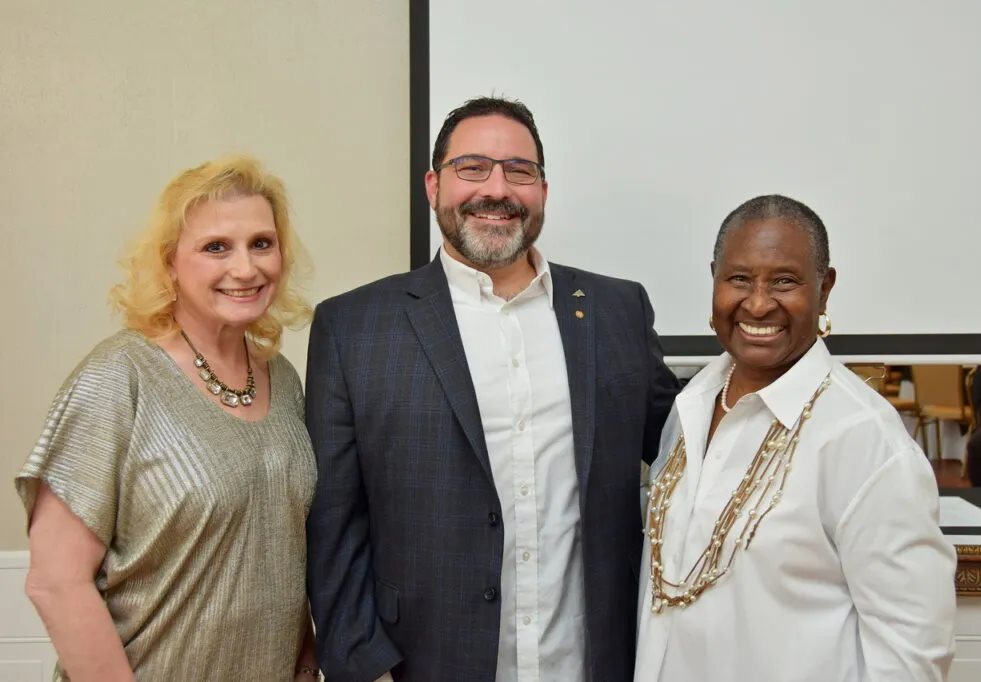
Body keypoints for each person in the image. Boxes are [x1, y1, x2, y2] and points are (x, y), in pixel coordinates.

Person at [305, 96, 681, 681]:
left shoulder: (616, 311)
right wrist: (365, 669)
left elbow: (688, 454)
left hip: (591, 663)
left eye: (519, 171)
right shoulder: (355, 327)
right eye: (473, 168)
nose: (497, 189)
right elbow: (333, 524)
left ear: (543, 191)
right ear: (434, 186)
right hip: (424, 665)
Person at [16, 155, 320, 681]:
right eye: (216, 247)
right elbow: (56, 582)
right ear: (170, 263)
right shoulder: (118, 378)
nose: (246, 268)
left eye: (261, 243)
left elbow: (282, 558)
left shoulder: (283, 378)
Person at [634, 195, 957, 681]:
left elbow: (912, 654)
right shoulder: (692, 404)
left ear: (824, 290)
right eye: (739, 279)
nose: (758, 303)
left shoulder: (863, 440)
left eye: (784, 281)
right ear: (714, 280)